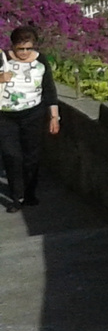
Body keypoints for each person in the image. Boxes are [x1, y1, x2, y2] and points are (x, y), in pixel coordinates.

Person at [0, 26, 60, 212]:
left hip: (33, 113)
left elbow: (49, 89)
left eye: (29, 48)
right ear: (13, 46)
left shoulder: (40, 60)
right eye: (21, 49)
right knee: (11, 155)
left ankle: (30, 193)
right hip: (5, 115)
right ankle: (16, 196)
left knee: (31, 155)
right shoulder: (3, 59)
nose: (25, 52)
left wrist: (54, 117)